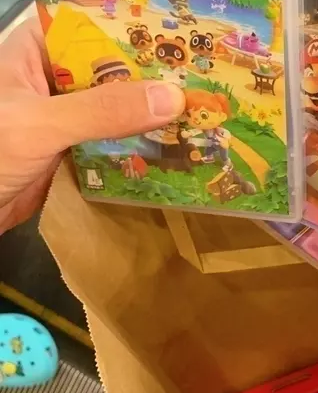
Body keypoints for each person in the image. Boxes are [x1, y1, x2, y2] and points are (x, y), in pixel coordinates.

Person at [0, 18, 185, 235]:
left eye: (123, 79)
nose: (119, 85)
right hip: (103, 155)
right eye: (112, 80)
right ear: (98, 83)